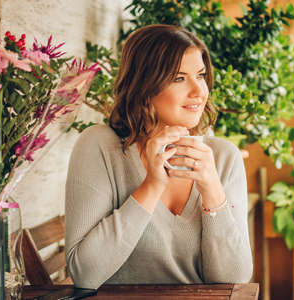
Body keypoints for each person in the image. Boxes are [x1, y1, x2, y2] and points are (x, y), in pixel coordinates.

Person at [65, 24, 253, 289]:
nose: (199, 91)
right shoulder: (100, 146)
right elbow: (85, 274)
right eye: (178, 78)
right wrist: (151, 187)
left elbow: (234, 279)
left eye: (200, 75)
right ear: (144, 85)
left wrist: (212, 189)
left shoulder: (223, 157)